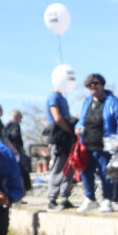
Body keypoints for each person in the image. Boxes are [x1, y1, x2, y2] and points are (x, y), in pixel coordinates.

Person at [77, 73, 118, 213]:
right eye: (90, 85)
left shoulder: (113, 102)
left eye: (96, 84)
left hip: (105, 143)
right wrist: (77, 127)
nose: (93, 87)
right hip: (87, 144)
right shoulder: (87, 102)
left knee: (105, 173)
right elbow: (81, 119)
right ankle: (90, 198)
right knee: (86, 172)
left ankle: (107, 200)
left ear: (102, 85)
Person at [46, 83, 77, 211]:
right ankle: (52, 198)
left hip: (66, 137)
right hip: (59, 137)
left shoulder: (62, 98)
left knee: (68, 167)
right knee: (58, 167)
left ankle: (65, 197)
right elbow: (57, 117)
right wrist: (70, 130)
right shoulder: (53, 97)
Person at [3, 109, 32, 193]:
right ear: (17, 116)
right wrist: (20, 151)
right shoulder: (15, 125)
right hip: (16, 153)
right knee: (20, 173)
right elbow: (16, 138)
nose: (21, 120)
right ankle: (20, 192)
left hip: (7, 153)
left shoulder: (5, 127)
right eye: (21, 118)